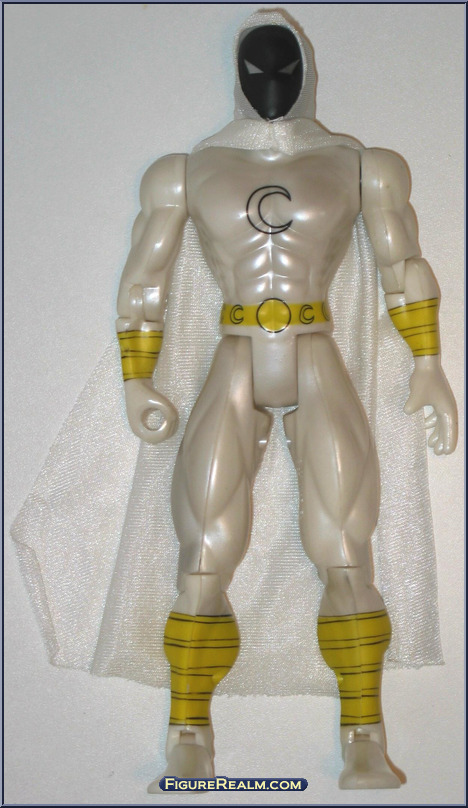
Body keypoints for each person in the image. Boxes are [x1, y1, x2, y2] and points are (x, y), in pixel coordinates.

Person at [116, 10, 457, 790]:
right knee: (203, 554)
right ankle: (187, 733)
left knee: (344, 549)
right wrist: (136, 376)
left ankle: (364, 738)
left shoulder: (363, 167)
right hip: (237, 355)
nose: (271, 80)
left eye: (283, 64)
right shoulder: (184, 172)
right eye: (257, 66)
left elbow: (404, 266)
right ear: (237, 73)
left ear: (305, 67)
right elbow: (144, 284)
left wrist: (429, 361)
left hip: (314, 353)